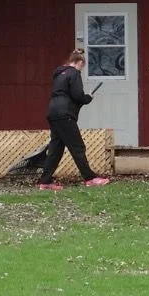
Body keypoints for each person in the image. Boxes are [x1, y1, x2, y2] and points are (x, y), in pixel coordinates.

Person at [38, 49, 110, 190]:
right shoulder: (74, 73)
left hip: (53, 112)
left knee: (56, 148)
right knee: (77, 147)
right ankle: (90, 178)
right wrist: (87, 98)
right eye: (82, 67)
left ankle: (45, 181)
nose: (81, 70)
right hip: (65, 114)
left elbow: (65, 94)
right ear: (80, 62)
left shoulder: (59, 73)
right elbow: (77, 95)